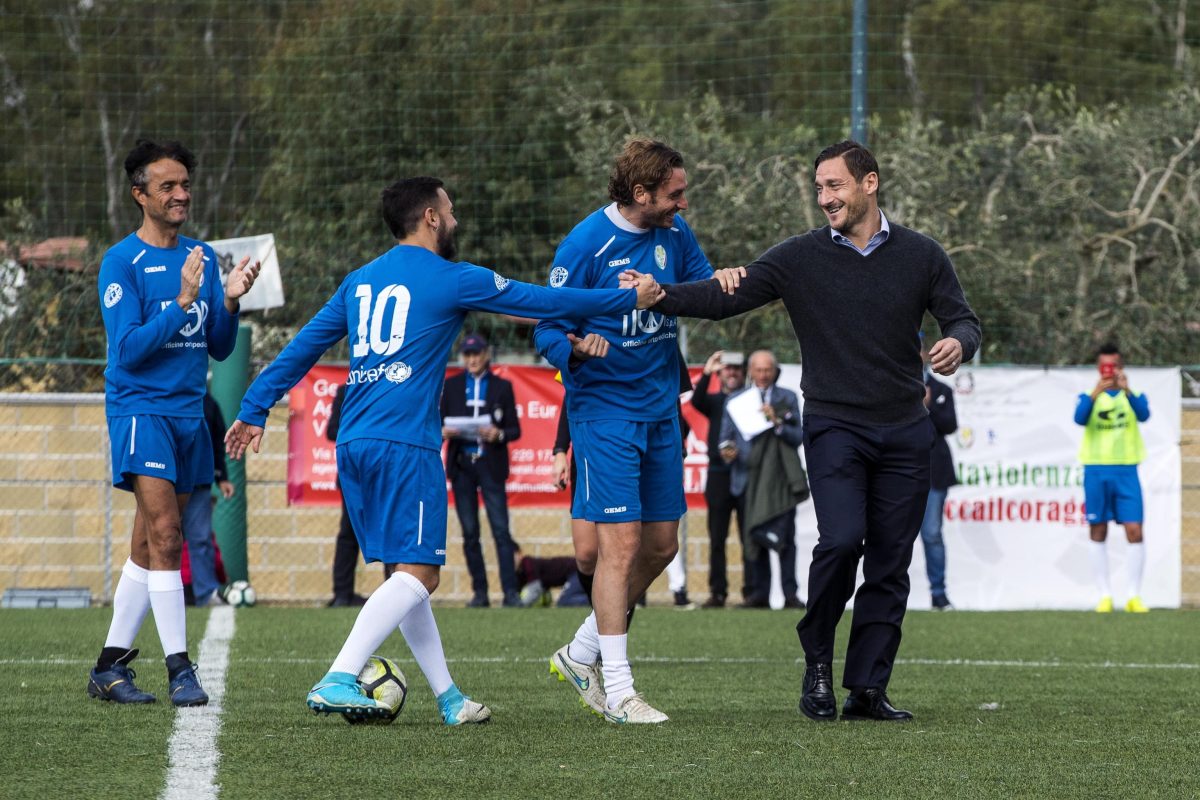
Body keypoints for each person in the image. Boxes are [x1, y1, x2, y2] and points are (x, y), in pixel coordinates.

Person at [224, 176, 663, 724]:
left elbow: (301, 349)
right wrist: (627, 296)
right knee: (422, 574)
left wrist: (253, 407)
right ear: (431, 217)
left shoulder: (359, 281)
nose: (455, 219)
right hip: (404, 444)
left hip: (355, 442)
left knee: (405, 577)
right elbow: (544, 299)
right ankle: (339, 676)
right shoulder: (454, 279)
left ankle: (450, 698)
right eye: (450, 210)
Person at [654, 140, 981, 723]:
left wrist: (959, 341)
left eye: (835, 186)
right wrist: (663, 295)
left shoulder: (923, 255)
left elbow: (961, 317)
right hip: (835, 425)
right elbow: (722, 300)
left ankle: (867, 689)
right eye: (819, 188)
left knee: (890, 561)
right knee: (840, 541)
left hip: (908, 431)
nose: (824, 197)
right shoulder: (797, 257)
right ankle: (819, 663)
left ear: (869, 183)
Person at [533, 138, 717, 724]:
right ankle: (618, 691)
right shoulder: (585, 244)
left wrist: (709, 287)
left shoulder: (676, 236)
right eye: (674, 194)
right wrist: (575, 350)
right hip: (604, 412)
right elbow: (546, 330)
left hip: (662, 408)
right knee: (619, 548)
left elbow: (701, 291)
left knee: (662, 546)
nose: (682, 204)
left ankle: (580, 650)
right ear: (641, 194)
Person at [89, 138, 260, 706]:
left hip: (189, 415)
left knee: (147, 540)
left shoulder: (204, 256)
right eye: (167, 186)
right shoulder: (122, 262)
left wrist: (229, 302)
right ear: (140, 194)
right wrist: (182, 301)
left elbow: (217, 348)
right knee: (168, 536)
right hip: (142, 412)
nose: (181, 194)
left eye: (185, 184)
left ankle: (109, 667)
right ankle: (180, 669)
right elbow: (129, 351)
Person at [718, 350, 805, 609]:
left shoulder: (787, 398)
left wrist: (776, 422)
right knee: (753, 537)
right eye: (758, 370)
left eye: (767, 370)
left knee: (785, 538)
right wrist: (727, 450)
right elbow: (725, 438)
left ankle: (790, 594)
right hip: (747, 478)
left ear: (774, 371)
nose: (763, 375)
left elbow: (798, 436)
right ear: (750, 372)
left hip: (780, 481)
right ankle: (758, 594)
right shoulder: (735, 401)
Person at [441, 333, 522, 607]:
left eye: (477, 354)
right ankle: (480, 592)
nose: (473, 359)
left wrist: (497, 434)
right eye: (468, 354)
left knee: (501, 530)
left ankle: (510, 592)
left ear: (486, 354)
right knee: (470, 532)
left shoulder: (502, 386)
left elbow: (514, 429)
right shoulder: (450, 387)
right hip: (462, 464)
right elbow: (436, 425)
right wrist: (444, 431)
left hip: (490, 463)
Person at [1075, 342, 1151, 614]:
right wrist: (1095, 393)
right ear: (1099, 368)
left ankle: (1133, 595)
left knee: (1135, 530)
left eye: (1114, 366)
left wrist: (1127, 389)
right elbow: (1079, 418)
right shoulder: (1088, 395)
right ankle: (1104, 595)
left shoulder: (1133, 395)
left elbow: (1144, 414)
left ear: (1120, 366)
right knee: (1098, 529)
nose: (1109, 371)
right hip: (1096, 471)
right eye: (1105, 366)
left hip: (1126, 471)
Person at [691, 349, 748, 608]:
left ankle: (754, 592)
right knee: (716, 537)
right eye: (728, 369)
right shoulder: (714, 401)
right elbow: (696, 401)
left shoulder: (750, 400)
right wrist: (707, 371)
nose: (732, 373)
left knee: (750, 536)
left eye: (737, 369)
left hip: (746, 473)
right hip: (717, 475)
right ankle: (718, 592)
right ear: (721, 373)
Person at [180, 391, 236, 607]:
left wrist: (222, 477)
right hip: (167, 482)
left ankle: (206, 593)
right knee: (160, 536)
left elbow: (217, 443)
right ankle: (156, 594)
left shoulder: (209, 403)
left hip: (199, 482)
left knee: (201, 538)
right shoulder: (166, 395)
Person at [920, 338, 958, 610]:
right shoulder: (888, 387)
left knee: (931, 533)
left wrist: (927, 406)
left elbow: (950, 425)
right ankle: (885, 593)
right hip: (895, 472)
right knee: (892, 536)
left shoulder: (941, 389)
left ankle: (938, 594)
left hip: (933, 473)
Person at [326, 382, 368, 607]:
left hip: (386, 474)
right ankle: (342, 594)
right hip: (354, 476)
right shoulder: (346, 390)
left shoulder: (388, 386)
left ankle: (395, 596)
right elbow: (332, 430)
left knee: (391, 535)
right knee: (348, 534)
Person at [513, 542, 590, 607]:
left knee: (563, 602)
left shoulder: (527, 563)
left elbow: (535, 589)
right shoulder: (519, 572)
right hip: (573, 573)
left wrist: (521, 604)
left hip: (575, 571)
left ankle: (595, 600)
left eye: (512, 556)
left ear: (520, 554)